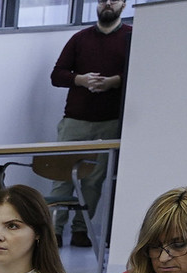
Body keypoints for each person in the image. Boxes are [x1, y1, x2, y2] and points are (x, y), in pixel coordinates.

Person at [47, 0, 131, 242]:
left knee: (94, 180)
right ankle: (54, 230)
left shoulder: (131, 37)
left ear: (123, 5)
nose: (108, 4)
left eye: (113, 0)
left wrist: (115, 81)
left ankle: (80, 230)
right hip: (75, 120)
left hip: (110, 121)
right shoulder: (80, 38)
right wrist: (80, 80)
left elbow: (141, 72)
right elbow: (57, 74)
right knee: (61, 176)